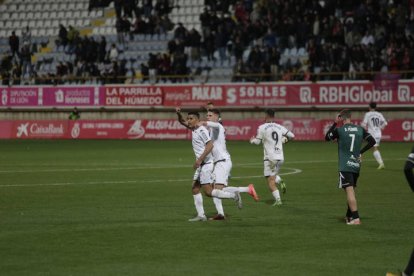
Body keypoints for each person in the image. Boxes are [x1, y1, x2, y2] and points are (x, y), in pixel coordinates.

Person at [176, 109, 241, 222]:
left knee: (208, 192)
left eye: (191, 119)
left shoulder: (201, 130)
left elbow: (210, 145)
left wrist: (199, 160)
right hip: (202, 164)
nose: (188, 121)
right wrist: (178, 113)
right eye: (188, 118)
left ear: (197, 120)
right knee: (195, 188)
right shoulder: (194, 128)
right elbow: (182, 121)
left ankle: (233, 195)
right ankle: (201, 215)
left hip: (206, 164)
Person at [200, 108, 259, 220]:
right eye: (207, 115)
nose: (207, 117)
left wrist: (204, 122)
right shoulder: (211, 130)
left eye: (210, 115)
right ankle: (246, 191)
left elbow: (216, 126)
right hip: (220, 162)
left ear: (217, 117)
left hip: (222, 162)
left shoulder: (218, 127)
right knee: (217, 189)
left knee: (217, 190)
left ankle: (239, 194)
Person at [325, 109, 376, 225]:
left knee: (349, 191)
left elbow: (327, 138)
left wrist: (334, 123)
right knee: (351, 190)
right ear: (350, 117)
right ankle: (349, 216)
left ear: (341, 118)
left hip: (345, 165)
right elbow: (372, 141)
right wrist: (360, 152)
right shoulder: (360, 129)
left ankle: (356, 218)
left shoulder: (340, 130)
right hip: (356, 165)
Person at [250, 109, 295, 206]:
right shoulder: (279, 127)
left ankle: (278, 200)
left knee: (270, 181)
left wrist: (252, 140)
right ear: (274, 116)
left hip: (270, 158)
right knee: (271, 176)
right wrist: (284, 140)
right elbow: (292, 135)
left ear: (266, 115)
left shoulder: (262, 127)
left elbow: (257, 142)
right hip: (280, 158)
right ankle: (279, 180)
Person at [361, 102, 388, 169]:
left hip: (372, 134)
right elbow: (385, 123)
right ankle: (359, 156)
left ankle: (381, 163)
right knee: (373, 148)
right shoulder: (379, 114)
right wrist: (381, 127)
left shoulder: (368, 114)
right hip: (378, 133)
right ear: (375, 107)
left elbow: (364, 125)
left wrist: (364, 131)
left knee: (374, 148)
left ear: (369, 107)